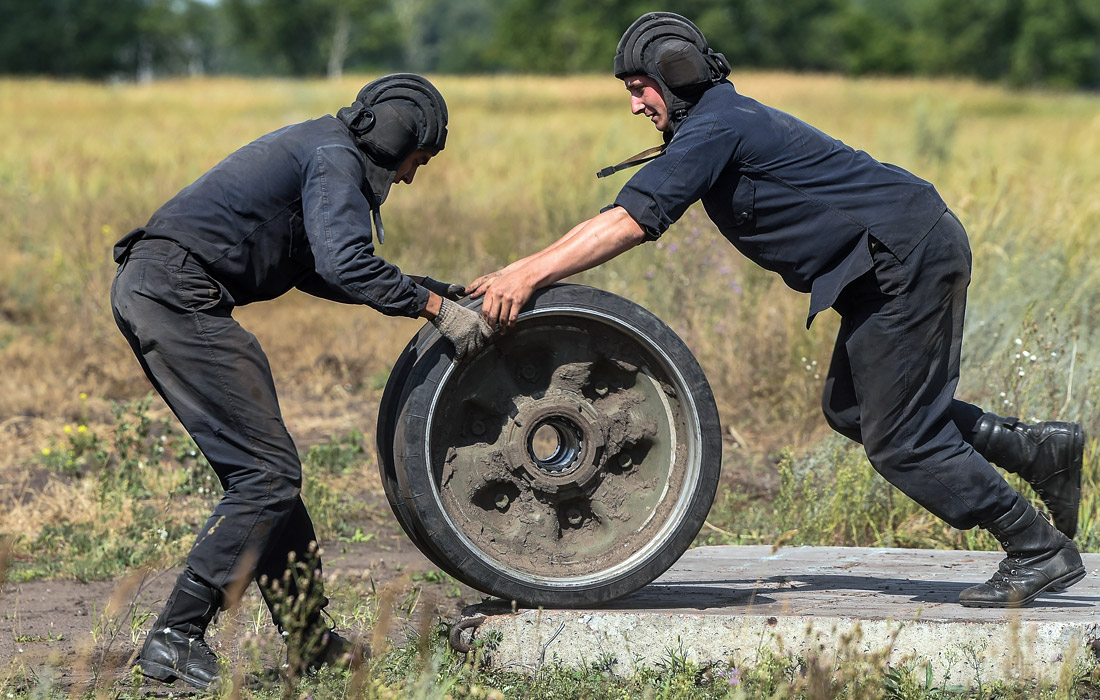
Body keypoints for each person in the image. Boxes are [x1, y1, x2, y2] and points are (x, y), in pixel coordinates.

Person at [468, 12, 1085, 608]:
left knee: (899, 439)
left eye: (639, 89)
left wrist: (524, 274)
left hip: (905, 257)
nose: (635, 105)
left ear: (676, 76)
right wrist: (522, 270)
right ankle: (1035, 452)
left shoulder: (715, 125)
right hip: (892, 258)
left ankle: (1034, 547)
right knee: (854, 410)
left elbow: (631, 221)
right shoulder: (714, 120)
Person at [111, 73, 490, 690]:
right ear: (394, 137)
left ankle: (309, 642)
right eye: (416, 162)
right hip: (178, 294)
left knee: (266, 471)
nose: (410, 178)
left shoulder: (324, 147)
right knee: (268, 474)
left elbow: (325, 268)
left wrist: (438, 292)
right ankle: (175, 636)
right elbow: (345, 261)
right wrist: (436, 312)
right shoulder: (336, 156)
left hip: (163, 288)